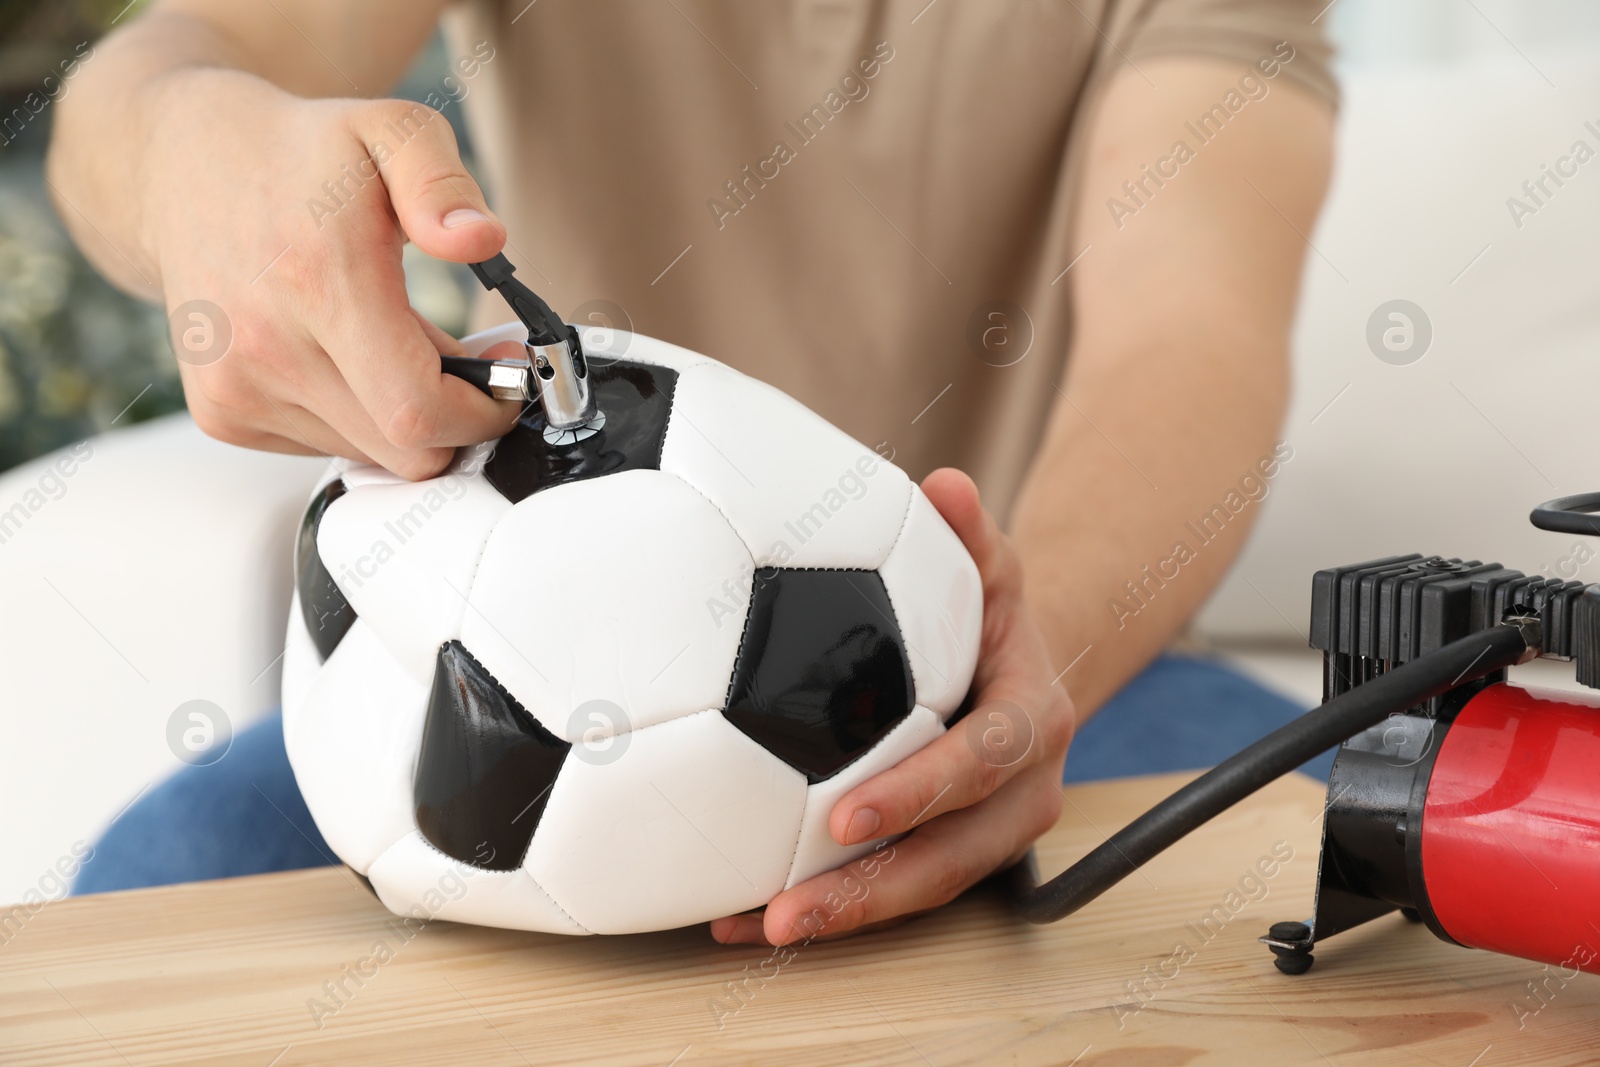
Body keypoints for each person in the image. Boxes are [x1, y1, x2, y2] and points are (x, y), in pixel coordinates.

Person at [52, 0, 1336, 944]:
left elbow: (1188, 336)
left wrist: (1029, 647)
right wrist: (191, 150)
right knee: (161, 875)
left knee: (1338, 876)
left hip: (1032, 664)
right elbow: (152, 74)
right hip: (501, 681)